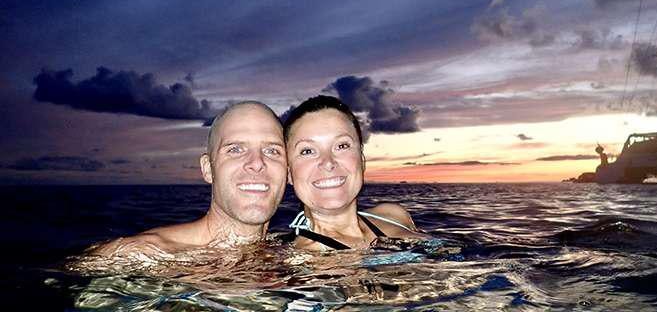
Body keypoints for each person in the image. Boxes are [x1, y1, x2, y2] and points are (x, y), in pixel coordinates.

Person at [88, 101, 287, 257]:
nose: (257, 162)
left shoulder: (290, 253)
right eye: (235, 149)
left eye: (272, 150)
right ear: (208, 169)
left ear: (288, 171)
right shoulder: (138, 256)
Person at [283, 95, 421, 251]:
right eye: (307, 151)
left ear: (362, 159)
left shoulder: (394, 215)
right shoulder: (301, 259)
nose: (328, 162)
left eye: (342, 146)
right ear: (289, 173)